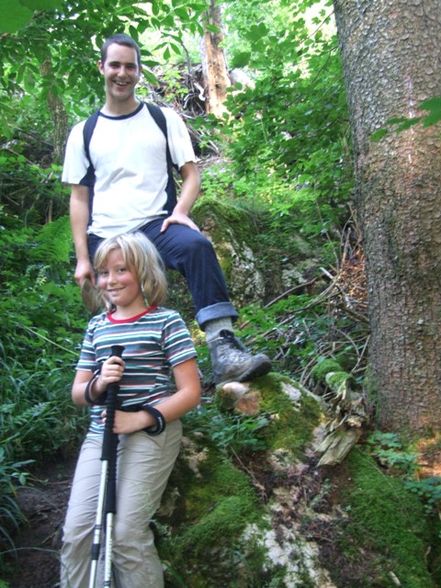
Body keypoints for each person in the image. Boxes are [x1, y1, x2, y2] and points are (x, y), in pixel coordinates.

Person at [62, 32, 271, 385]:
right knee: (121, 304)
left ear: (139, 72)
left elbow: (191, 175)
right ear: (102, 68)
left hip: (155, 226)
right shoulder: (84, 132)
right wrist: (83, 258)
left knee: (196, 247)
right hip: (107, 235)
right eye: (115, 65)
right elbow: (79, 199)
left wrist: (182, 211)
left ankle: (224, 350)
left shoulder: (163, 120)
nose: (122, 73)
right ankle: (125, 380)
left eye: (130, 66)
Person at [60, 231, 201, 587]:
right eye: (103, 272)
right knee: (77, 531)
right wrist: (100, 384)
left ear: (143, 272)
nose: (110, 280)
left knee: (124, 533)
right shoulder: (97, 327)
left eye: (121, 270)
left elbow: (190, 393)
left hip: (151, 432)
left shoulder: (167, 322)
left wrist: (139, 418)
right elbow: (79, 393)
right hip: (100, 435)